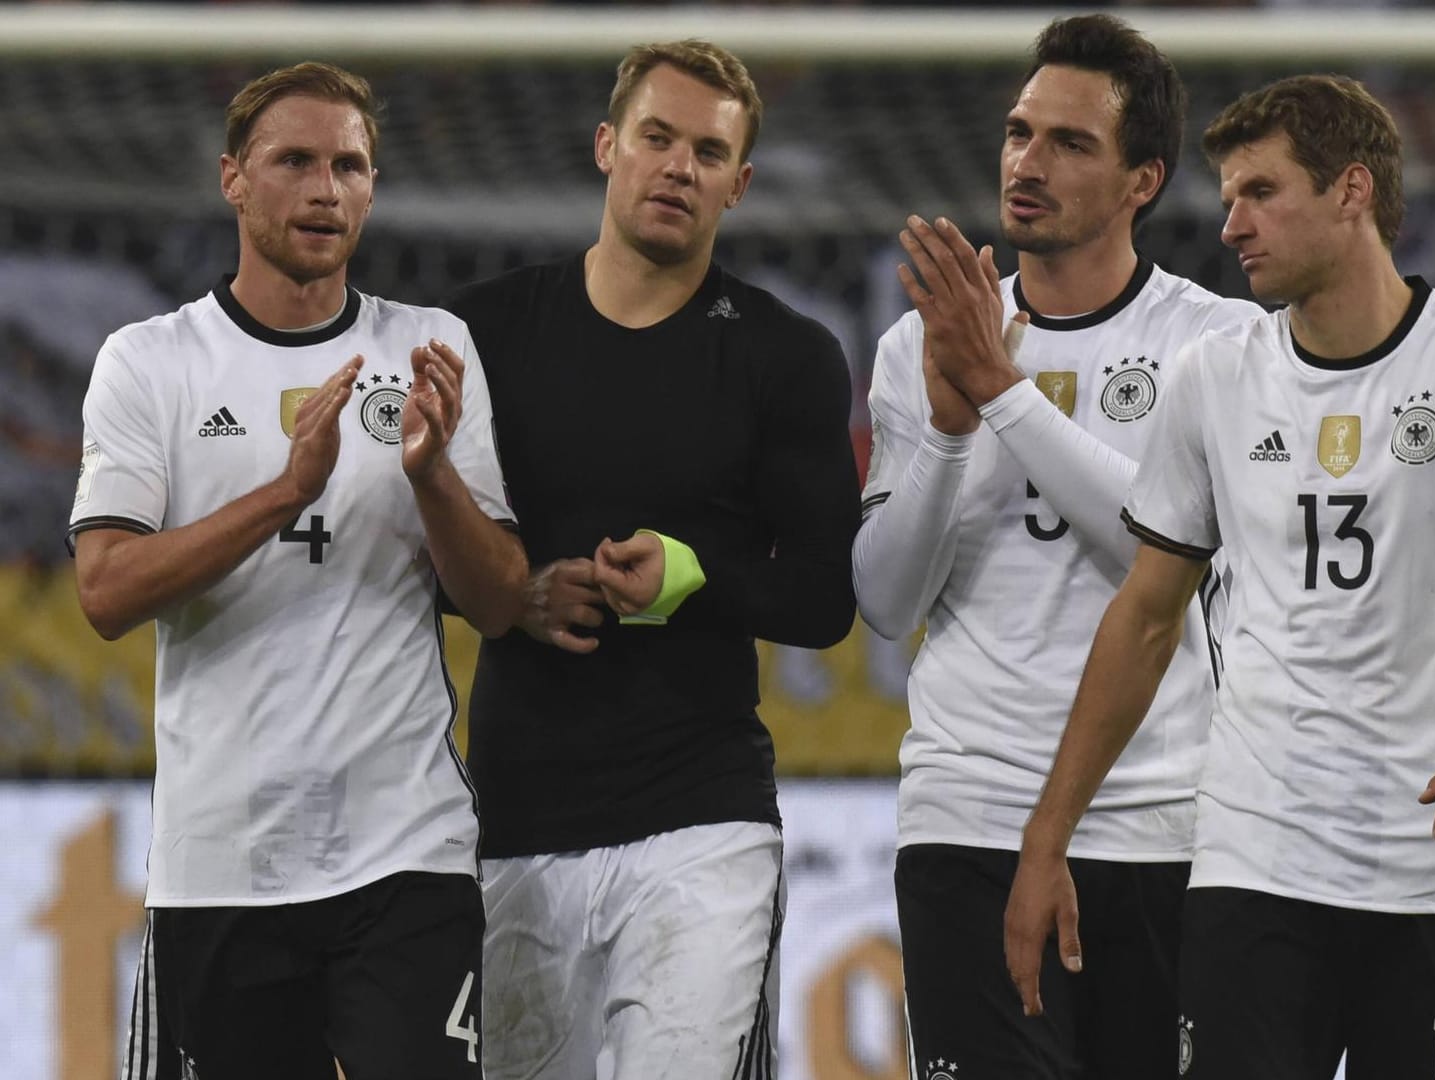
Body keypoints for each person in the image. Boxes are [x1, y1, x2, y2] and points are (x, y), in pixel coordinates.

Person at [1006, 74, 1435, 1080]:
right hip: (1256, 868)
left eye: (1261, 193)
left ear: (1352, 193)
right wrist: (1047, 834)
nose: (1232, 223)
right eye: (1229, 196)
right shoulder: (1215, 377)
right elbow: (1147, 617)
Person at [69, 62, 527, 1080]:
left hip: (406, 853)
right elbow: (104, 593)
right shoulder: (151, 362)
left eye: (351, 166)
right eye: (297, 162)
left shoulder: (430, 348)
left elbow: (499, 602)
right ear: (234, 178)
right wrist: (284, 492)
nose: (327, 189)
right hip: (221, 866)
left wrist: (432, 475)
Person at [853, 15, 1260, 1079]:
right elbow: (889, 602)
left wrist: (999, 391)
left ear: (1143, 181)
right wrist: (947, 425)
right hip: (968, 813)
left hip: (1162, 822)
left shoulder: (1213, 344)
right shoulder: (921, 345)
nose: (1027, 164)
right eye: (1018, 132)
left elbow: (1166, 557)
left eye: (1070, 143)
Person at [445, 39, 861, 1080]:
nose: (679, 167)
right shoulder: (486, 331)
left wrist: (692, 577)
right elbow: (413, 567)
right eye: (657, 138)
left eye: (708, 152)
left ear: (741, 183)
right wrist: (518, 591)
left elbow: (824, 596)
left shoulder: (784, 354)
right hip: (512, 820)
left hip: (701, 823)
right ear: (607, 147)